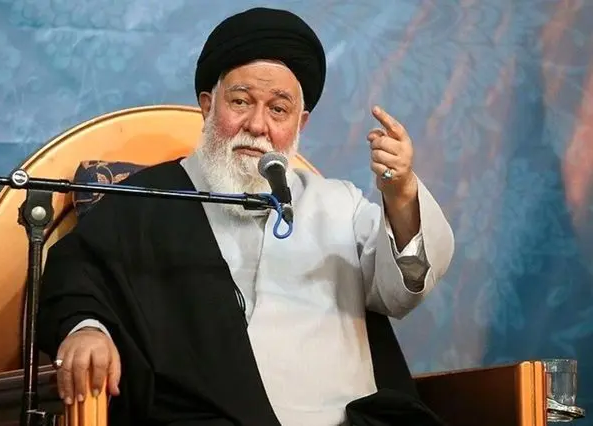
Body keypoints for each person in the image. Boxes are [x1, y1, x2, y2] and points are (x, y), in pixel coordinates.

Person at [37, 7, 454, 426]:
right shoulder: (147, 200)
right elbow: (76, 276)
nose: (257, 125)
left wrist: (401, 192)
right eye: (240, 101)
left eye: (279, 110)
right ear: (207, 105)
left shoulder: (338, 205)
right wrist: (87, 330)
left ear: (300, 123)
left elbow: (402, 290)